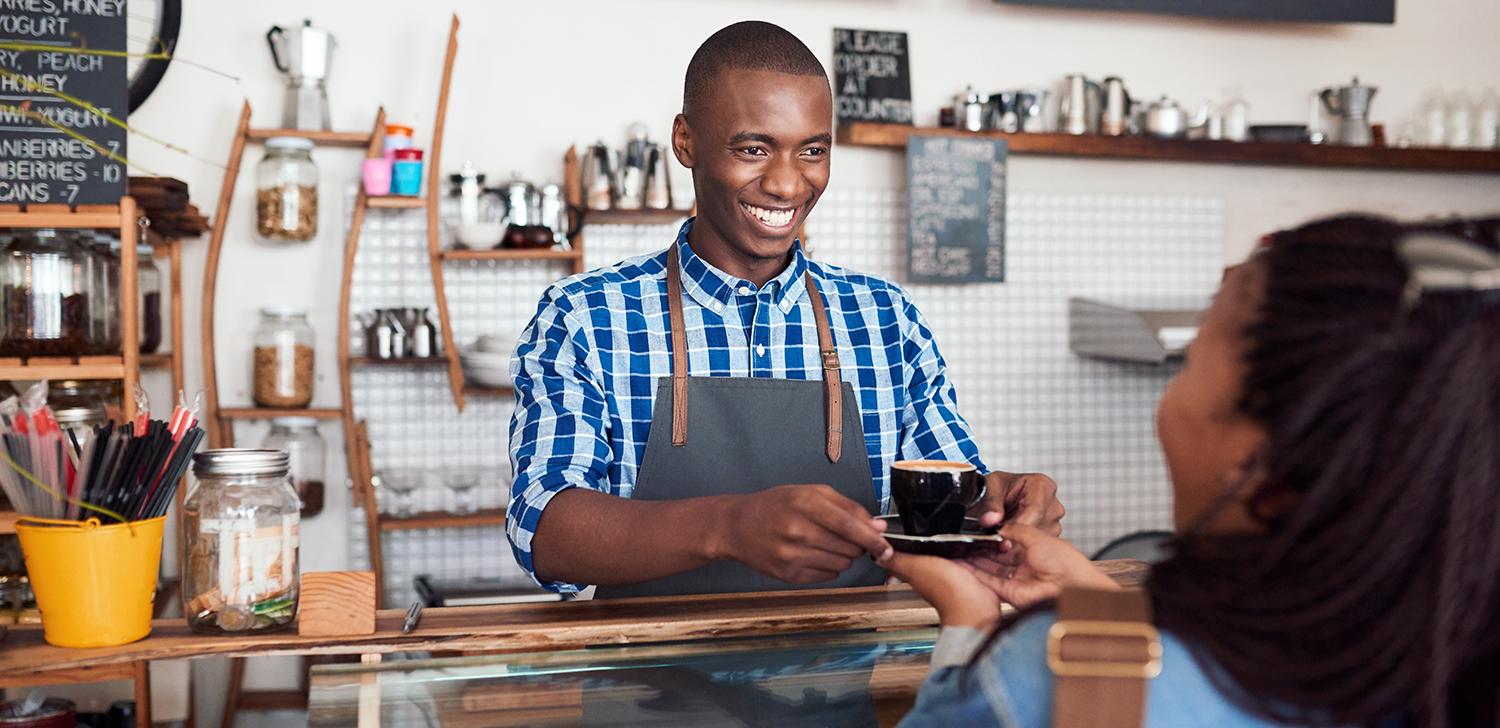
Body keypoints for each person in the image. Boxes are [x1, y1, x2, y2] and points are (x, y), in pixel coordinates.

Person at [506, 20, 1063, 598]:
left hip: (849, 677)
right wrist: (728, 526)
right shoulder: (585, 315)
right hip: (644, 680)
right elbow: (543, 528)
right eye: (753, 149)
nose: (786, 183)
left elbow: (946, 503)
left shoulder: (885, 318)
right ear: (685, 141)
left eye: (813, 151)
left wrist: (995, 507)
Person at [887, 214, 1500, 727]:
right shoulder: (1453, 671)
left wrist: (970, 625)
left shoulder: (1044, 680)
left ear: (1256, 462)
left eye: (1189, 367)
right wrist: (1102, 604)